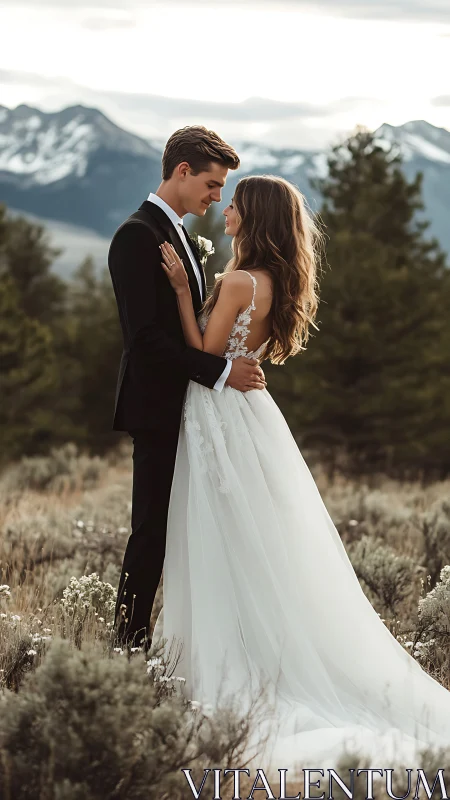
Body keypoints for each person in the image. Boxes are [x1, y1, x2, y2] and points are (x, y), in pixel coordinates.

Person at [153, 174, 450, 768]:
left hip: (219, 411)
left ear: (255, 216)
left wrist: (184, 293)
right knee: (249, 538)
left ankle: (225, 664)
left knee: (216, 535)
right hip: (250, 412)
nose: (226, 210)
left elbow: (203, 356)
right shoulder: (272, 280)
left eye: (236, 204)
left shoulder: (238, 281)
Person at [108, 126, 266, 652]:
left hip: (193, 410)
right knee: (151, 531)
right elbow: (145, 338)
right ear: (182, 172)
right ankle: (126, 647)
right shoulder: (136, 235)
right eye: (212, 184)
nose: (217, 197)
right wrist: (220, 372)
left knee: (193, 529)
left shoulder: (177, 234)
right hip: (157, 407)